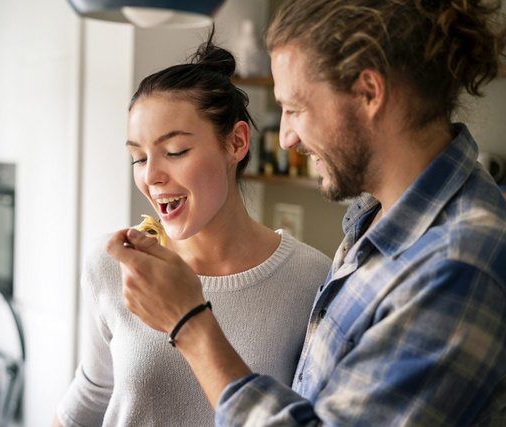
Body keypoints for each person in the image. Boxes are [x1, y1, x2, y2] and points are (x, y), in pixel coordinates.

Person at [106, 0, 506, 425]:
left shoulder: (457, 261)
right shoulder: (375, 221)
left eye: (295, 109)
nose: (286, 138)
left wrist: (189, 323)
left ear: (369, 92)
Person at [52, 32, 331, 427]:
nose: (151, 176)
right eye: (138, 157)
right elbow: (93, 393)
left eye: (175, 152)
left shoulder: (312, 279)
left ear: (236, 142)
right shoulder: (113, 263)